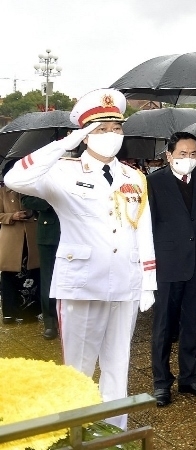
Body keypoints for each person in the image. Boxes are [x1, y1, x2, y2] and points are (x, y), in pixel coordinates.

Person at [4, 88, 156, 430]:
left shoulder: (134, 177)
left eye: (116, 129)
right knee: (78, 367)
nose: (112, 136)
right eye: (101, 129)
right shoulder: (62, 171)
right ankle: (76, 431)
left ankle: (115, 431)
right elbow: (14, 177)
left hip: (126, 282)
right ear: (84, 134)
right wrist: (64, 144)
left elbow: (142, 230)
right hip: (82, 282)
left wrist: (148, 281)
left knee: (119, 364)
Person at [147, 131, 196, 407]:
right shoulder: (153, 182)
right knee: (163, 326)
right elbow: (148, 226)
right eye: (182, 154)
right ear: (169, 155)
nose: (188, 159)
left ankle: (190, 378)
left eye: (193, 155)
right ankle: (161, 382)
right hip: (167, 264)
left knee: (192, 325)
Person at [0, 159, 41, 325]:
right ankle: (10, 313)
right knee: (9, 276)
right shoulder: (2, 192)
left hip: (32, 239)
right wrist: (11, 216)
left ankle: (30, 313)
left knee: (33, 275)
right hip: (11, 241)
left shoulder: (33, 190)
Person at [20, 194, 59, 339]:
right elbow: (25, 198)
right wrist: (50, 201)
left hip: (77, 234)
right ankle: (50, 322)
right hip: (49, 233)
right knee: (48, 280)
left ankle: (71, 320)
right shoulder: (41, 172)